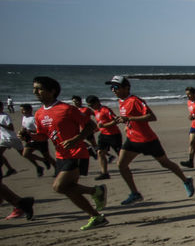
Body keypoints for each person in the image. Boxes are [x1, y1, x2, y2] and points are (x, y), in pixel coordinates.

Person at [33, 75, 108, 229]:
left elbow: (91, 126)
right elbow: (42, 136)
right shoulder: (39, 114)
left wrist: (77, 138)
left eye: (39, 89)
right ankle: (96, 216)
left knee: (59, 187)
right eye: (34, 89)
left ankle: (96, 191)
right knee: (69, 190)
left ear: (52, 91)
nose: (35, 92)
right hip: (61, 155)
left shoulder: (67, 109)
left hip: (77, 152)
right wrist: (29, 136)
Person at [106, 75, 195, 205]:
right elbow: (129, 118)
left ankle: (186, 180)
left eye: (116, 87)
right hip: (132, 139)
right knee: (121, 164)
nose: (113, 90)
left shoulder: (135, 100)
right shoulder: (121, 101)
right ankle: (135, 193)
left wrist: (129, 119)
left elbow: (152, 117)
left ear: (126, 88)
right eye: (111, 88)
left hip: (147, 140)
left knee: (165, 163)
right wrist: (125, 124)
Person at [88, 95, 121, 180]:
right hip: (103, 135)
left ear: (97, 102)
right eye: (89, 106)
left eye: (92, 105)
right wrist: (95, 130)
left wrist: (104, 125)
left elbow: (116, 120)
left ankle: (124, 168)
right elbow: (100, 124)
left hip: (114, 135)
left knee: (120, 154)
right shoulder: (95, 111)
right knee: (100, 153)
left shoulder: (105, 110)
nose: (91, 107)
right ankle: (104, 173)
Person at [18, 103, 54, 176]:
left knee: (47, 156)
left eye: (23, 110)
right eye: (21, 110)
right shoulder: (24, 117)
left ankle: (57, 168)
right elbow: (24, 127)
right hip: (31, 140)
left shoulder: (33, 118)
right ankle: (44, 161)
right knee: (25, 154)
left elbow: (40, 130)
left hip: (40, 140)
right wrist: (22, 132)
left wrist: (30, 131)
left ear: (29, 110)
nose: (22, 112)